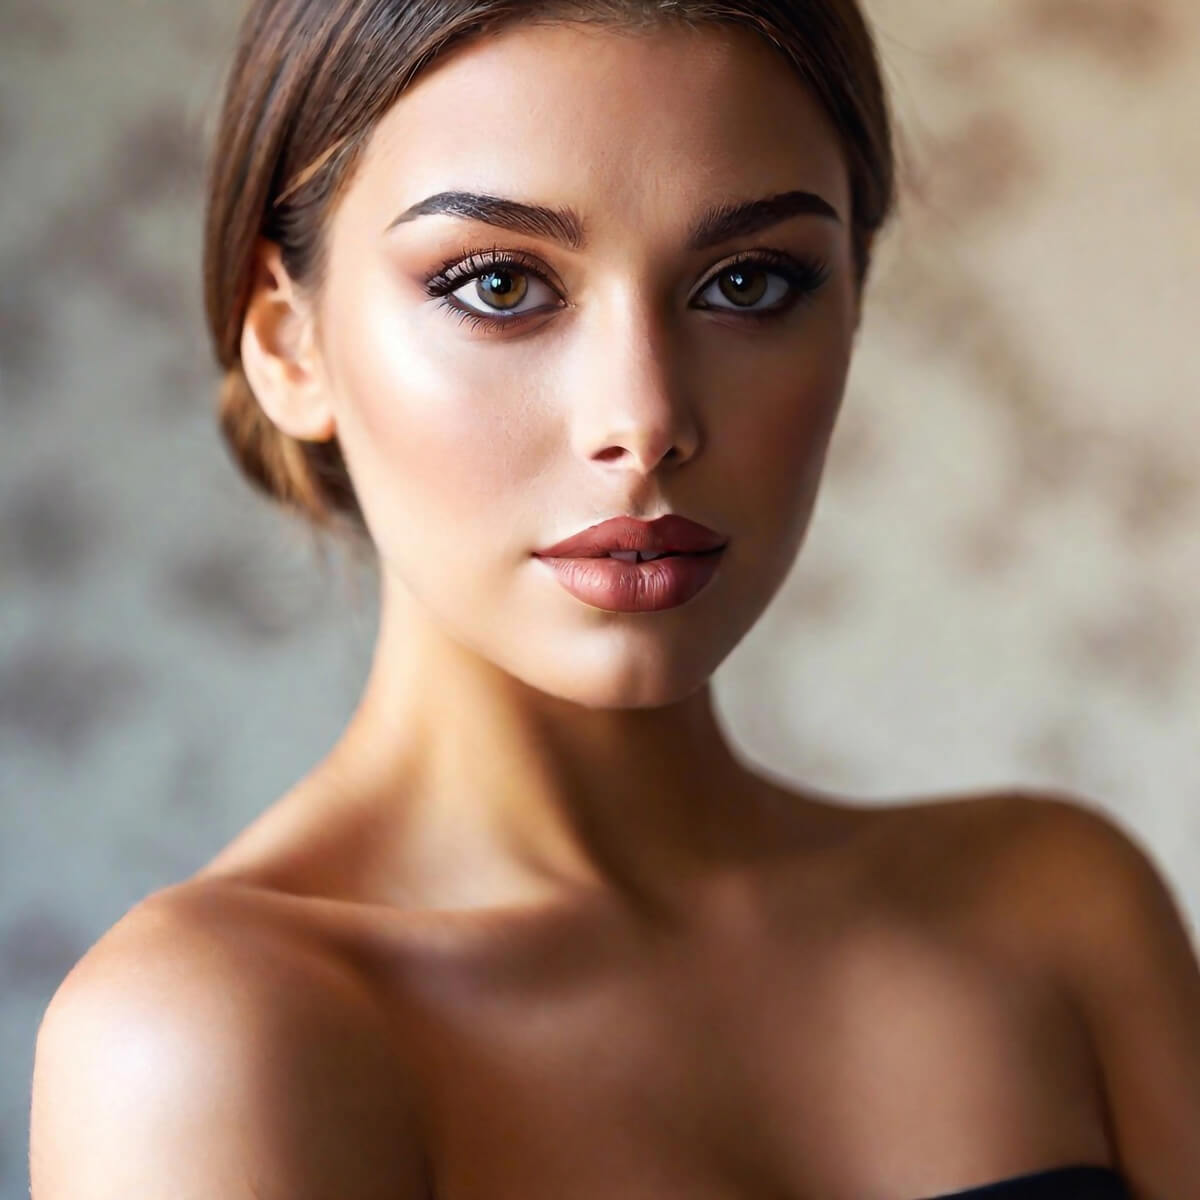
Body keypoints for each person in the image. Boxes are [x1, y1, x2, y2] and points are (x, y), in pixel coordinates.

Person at [29, 2, 1200, 1196]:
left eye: (748, 283)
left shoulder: (1059, 916)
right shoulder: (210, 1039)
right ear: (287, 342)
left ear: (852, 298)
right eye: (497, 285)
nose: (644, 418)